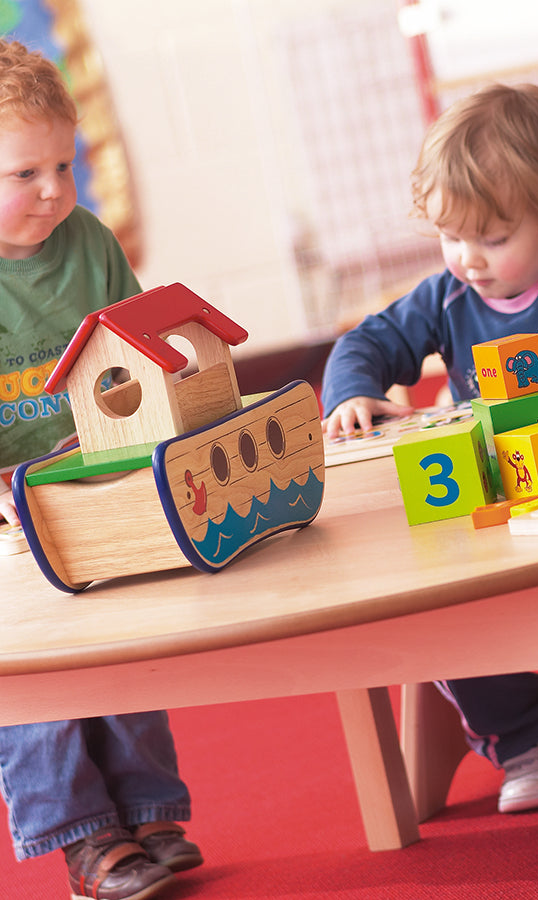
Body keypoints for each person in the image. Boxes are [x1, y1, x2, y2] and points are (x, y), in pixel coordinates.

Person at [322, 83, 538, 812]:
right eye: (452, 237)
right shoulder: (446, 296)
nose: (468, 260)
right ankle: (523, 741)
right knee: (437, 595)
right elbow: (368, 341)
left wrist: (528, 379)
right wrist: (352, 395)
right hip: (490, 507)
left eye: (492, 238)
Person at [0, 39, 201, 899]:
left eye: (64, 165)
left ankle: (149, 806)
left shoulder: (86, 241)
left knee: (123, 645)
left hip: (97, 477)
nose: (54, 190)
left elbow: (130, 346)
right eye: (23, 174)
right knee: (36, 674)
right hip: (9, 511)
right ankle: (82, 833)